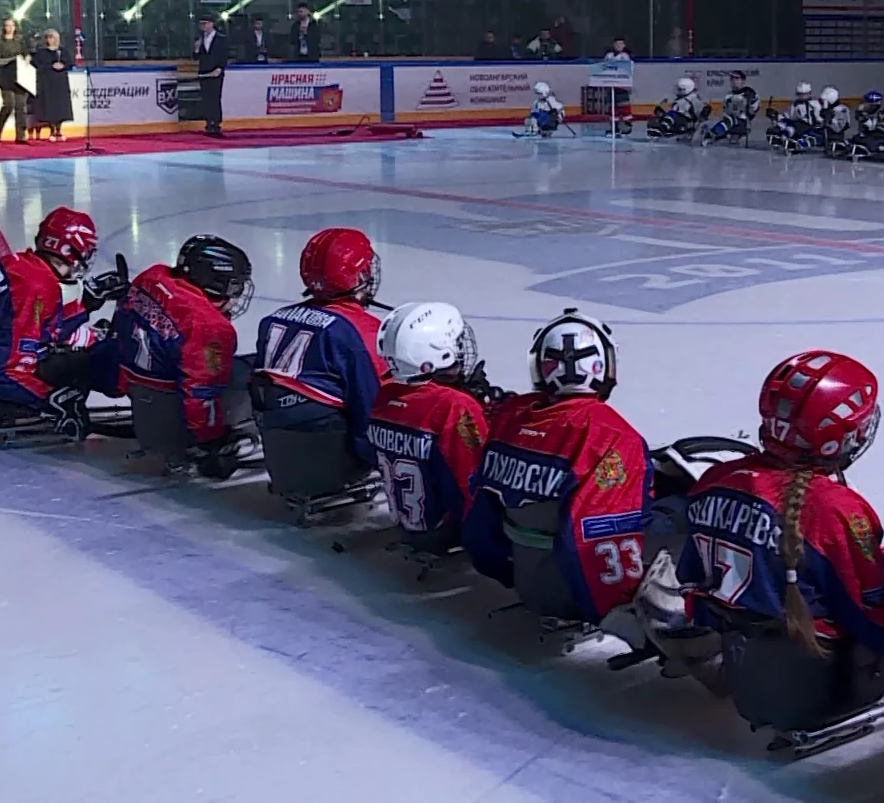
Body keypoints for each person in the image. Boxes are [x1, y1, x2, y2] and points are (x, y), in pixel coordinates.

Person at [635, 351, 884, 732]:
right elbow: (872, 612)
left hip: (745, 677)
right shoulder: (836, 509)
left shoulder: (715, 480)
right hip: (824, 688)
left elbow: (694, 585)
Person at [461, 308, 650, 624]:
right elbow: (594, 534)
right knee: (678, 514)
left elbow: (480, 513)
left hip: (525, 578)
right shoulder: (612, 435)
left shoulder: (510, 416)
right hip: (572, 594)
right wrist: (610, 613)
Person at [0, 207, 121, 437]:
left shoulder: (23, 267)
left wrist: (85, 305)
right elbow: (4, 373)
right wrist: (50, 399)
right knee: (102, 358)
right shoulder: (36, 287)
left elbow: (38, 332)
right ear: (68, 250)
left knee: (92, 349)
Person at [114, 235, 256, 467]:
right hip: (174, 420)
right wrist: (211, 441)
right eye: (234, 285)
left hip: (141, 397)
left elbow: (121, 328)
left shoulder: (151, 276)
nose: (234, 297)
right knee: (257, 371)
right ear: (214, 282)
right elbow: (201, 393)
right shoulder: (210, 325)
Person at [252, 228, 387, 464]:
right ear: (358, 275)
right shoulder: (363, 330)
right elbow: (369, 401)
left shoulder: (273, 318)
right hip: (326, 444)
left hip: (277, 438)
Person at [365, 301, 491, 553]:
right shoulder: (454, 406)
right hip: (446, 529)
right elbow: (478, 478)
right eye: (454, 343)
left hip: (409, 524)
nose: (459, 349)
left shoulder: (385, 395)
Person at [0, 19, 30, 144]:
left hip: (20, 77)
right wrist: (13, 59)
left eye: (11, 25)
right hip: (5, 77)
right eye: (7, 25)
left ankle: (20, 135)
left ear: (15, 27)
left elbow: (27, 54)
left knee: (21, 107)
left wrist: (27, 59)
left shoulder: (20, 41)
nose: (9, 28)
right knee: (9, 104)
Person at [31, 29, 73, 143]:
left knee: (61, 106)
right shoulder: (41, 52)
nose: (50, 39)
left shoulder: (62, 51)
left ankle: (59, 129)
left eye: (52, 37)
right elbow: (36, 64)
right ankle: (52, 129)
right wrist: (51, 65)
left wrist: (62, 65)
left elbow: (70, 63)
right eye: (48, 37)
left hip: (61, 83)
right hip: (47, 83)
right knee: (50, 106)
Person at [193, 14, 229, 138]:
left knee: (215, 98)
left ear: (212, 24)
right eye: (201, 24)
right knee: (206, 99)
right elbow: (195, 58)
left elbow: (224, 55)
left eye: (205, 24)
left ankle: (216, 124)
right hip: (204, 72)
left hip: (216, 72)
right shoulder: (200, 39)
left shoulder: (221, 39)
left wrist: (220, 68)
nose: (203, 26)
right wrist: (196, 49)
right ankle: (208, 123)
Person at [768, 82, 824, 147]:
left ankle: (790, 139)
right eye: (800, 94)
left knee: (794, 128)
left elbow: (819, 118)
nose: (802, 96)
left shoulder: (815, 104)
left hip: (810, 127)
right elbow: (787, 116)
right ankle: (782, 138)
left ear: (809, 93)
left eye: (804, 94)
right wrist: (776, 116)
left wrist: (820, 124)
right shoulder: (795, 104)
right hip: (798, 124)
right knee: (783, 125)